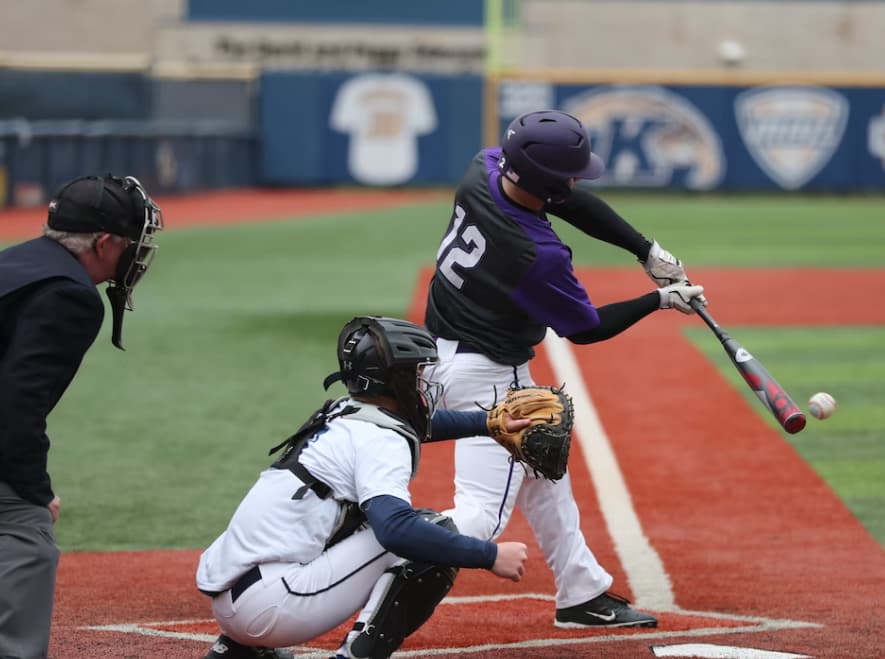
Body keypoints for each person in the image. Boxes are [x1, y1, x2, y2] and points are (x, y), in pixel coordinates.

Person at [423, 109, 707, 628]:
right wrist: (660, 300)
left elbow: (564, 196)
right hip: (490, 376)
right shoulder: (537, 254)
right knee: (479, 517)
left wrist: (644, 249)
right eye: (570, 173)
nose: (577, 180)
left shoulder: (482, 169)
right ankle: (372, 549)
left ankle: (581, 591)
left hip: (440, 353)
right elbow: (586, 328)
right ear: (546, 183)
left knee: (544, 470)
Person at [196, 316, 530, 659]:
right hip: (271, 609)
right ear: (394, 380)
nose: (424, 381)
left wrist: (489, 422)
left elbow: (417, 426)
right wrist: (489, 556)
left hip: (235, 596)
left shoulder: (345, 411)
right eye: (416, 373)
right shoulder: (381, 441)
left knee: (359, 517)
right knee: (428, 531)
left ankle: (237, 650)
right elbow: (396, 530)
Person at [0, 174, 165, 658]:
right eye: (133, 241)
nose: (137, 252)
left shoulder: (18, 260)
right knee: (27, 537)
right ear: (106, 242)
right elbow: (16, 404)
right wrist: (34, 488)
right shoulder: (68, 293)